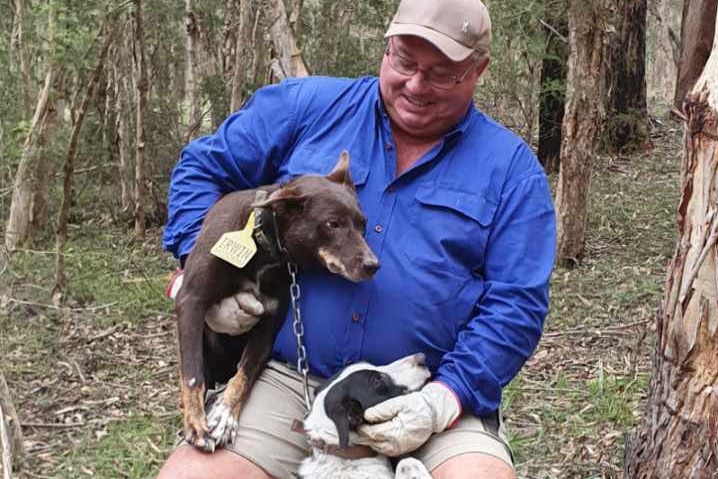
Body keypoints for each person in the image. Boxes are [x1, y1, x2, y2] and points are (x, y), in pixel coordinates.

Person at [157, 0, 556, 477]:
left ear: (478, 70)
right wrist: (205, 268)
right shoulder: (308, 108)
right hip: (288, 378)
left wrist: (442, 400)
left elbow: (516, 305)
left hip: (422, 385)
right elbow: (201, 169)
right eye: (404, 61)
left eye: (441, 73)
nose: (415, 84)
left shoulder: (510, 170)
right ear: (386, 47)